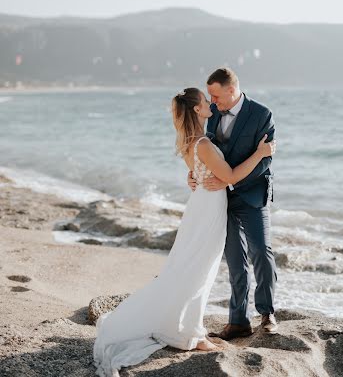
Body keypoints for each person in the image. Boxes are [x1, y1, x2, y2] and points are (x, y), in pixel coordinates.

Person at [93, 87, 276, 377]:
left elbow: (202, 172)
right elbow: (228, 177)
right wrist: (260, 153)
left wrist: (197, 176)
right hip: (207, 211)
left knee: (195, 269)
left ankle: (193, 329)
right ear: (196, 110)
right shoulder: (202, 142)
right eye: (205, 102)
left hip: (204, 206)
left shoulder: (192, 140)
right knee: (198, 270)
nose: (210, 105)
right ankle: (191, 333)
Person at [188, 67, 278, 340]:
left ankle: (267, 313)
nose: (212, 102)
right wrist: (194, 173)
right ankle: (238, 321)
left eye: (216, 95)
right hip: (220, 199)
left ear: (231, 88)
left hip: (252, 195)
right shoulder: (213, 115)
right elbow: (207, 151)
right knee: (236, 261)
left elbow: (265, 161)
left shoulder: (262, 115)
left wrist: (229, 180)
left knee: (261, 251)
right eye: (210, 98)